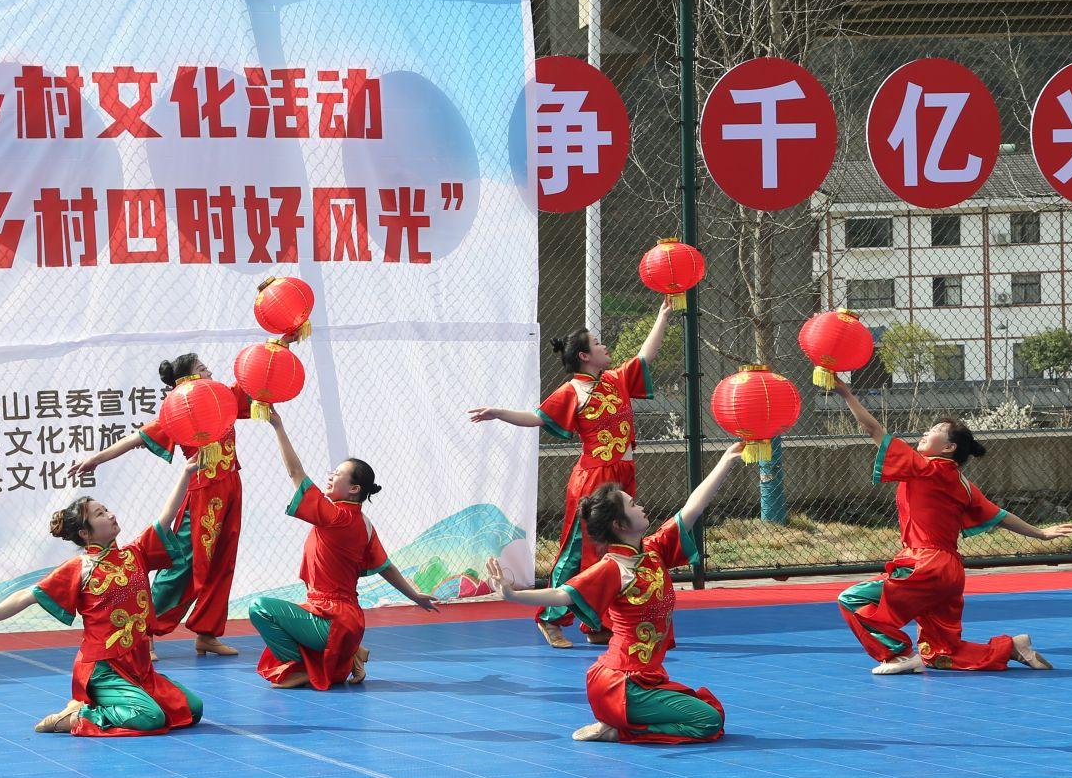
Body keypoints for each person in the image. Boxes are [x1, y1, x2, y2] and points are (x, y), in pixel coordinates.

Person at [488, 442, 746, 744]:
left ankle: (618, 724)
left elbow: (692, 507)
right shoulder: (612, 568)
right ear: (620, 524)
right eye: (633, 505)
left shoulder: (653, 550)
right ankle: (618, 729)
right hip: (620, 683)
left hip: (644, 679)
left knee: (709, 714)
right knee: (707, 721)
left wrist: (726, 461)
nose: (641, 507)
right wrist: (513, 595)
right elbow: (562, 595)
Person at [0, 456, 203, 735]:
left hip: (139, 667)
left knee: (193, 709)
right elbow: (26, 595)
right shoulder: (79, 568)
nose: (110, 515)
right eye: (100, 514)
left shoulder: (135, 553)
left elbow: (166, 516)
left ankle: (121, 699)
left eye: (106, 510)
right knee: (150, 718)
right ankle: (79, 715)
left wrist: (186, 473)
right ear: (85, 533)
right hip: (103, 669)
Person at [469, 300, 672, 649]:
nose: (604, 346)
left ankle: (598, 624)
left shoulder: (617, 380)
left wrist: (662, 316)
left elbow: (645, 356)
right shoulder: (572, 391)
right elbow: (536, 418)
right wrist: (499, 412)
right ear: (584, 356)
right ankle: (550, 618)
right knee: (578, 551)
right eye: (597, 343)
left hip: (623, 474)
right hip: (592, 479)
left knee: (616, 551)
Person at [831, 378, 1068, 674]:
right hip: (950, 572)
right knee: (940, 653)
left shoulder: (929, 468)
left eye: (934, 430)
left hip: (925, 566)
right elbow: (1000, 515)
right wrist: (1040, 533)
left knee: (852, 599)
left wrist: (846, 393)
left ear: (948, 447)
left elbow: (874, 430)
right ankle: (1012, 647)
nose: (925, 432)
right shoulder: (962, 483)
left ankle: (898, 655)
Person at [70, 351, 251, 658]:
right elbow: (135, 439)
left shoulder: (223, 399)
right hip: (202, 494)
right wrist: (96, 459)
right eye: (203, 369)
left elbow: (256, 378)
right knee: (182, 563)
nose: (210, 372)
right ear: (187, 380)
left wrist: (283, 342)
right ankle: (145, 631)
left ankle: (207, 633)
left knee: (223, 562)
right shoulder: (180, 413)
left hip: (231, 486)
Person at [248, 408, 437, 689]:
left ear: (353, 489)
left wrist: (278, 427)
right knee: (292, 614)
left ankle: (304, 668)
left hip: (332, 621)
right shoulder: (364, 523)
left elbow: (295, 472)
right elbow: (386, 567)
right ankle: (350, 653)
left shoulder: (334, 516)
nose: (330, 477)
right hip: (347, 621)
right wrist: (414, 595)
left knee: (260, 608)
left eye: (337, 474)